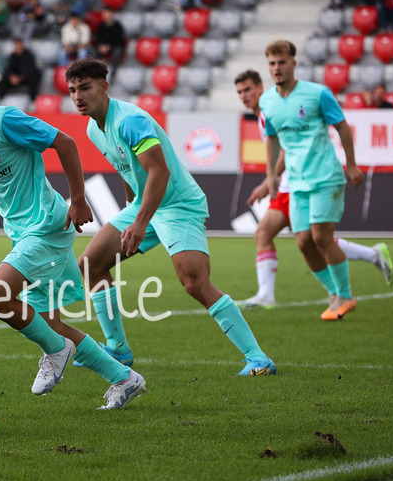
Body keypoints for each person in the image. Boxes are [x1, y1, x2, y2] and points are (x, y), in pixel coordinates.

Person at [0, 46, 147, 410]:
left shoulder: (4, 120)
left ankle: (56, 352)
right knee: (50, 324)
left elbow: (65, 143)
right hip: (21, 232)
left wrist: (78, 199)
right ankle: (124, 378)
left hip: (48, 226)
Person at [66, 58, 276, 376]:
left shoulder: (130, 121)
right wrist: (131, 209)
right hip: (145, 204)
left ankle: (258, 359)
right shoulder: (94, 129)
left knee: (194, 282)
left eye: (85, 88)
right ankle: (118, 349)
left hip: (178, 204)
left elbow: (159, 171)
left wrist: (139, 223)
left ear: (104, 87)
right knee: (90, 265)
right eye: (72, 90)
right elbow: (127, 168)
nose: (78, 96)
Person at [235, 69, 392, 309]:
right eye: (239, 92)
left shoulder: (272, 110)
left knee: (314, 238)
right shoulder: (264, 114)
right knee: (284, 236)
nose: (244, 96)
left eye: (247, 89)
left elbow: (286, 149)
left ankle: (345, 284)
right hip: (289, 185)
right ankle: (267, 294)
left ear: (260, 88)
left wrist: (268, 182)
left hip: (297, 184)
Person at [259, 40, 368, 320]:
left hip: (325, 177)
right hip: (296, 183)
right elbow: (272, 139)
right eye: (272, 63)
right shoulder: (267, 101)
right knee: (303, 242)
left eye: (282, 62)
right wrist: (271, 175)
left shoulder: (317, 94)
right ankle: (335, 293)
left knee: (321, 237)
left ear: (293, 64)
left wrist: (351, 165)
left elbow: (342, 127)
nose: (277, 68)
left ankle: (345, 295)